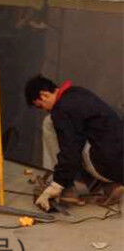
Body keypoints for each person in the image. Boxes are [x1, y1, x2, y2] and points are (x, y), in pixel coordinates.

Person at [24, 74, 124, 210]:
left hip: (108, 163)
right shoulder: (77, 92)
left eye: (41, 106)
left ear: (44, 95)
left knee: (52, 126)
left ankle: (67, 188)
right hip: (118, 160)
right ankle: (110, 186)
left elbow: (70, 150)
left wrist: (57, 184)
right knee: (82, 138)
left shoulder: (61, 110)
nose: (46, 110)